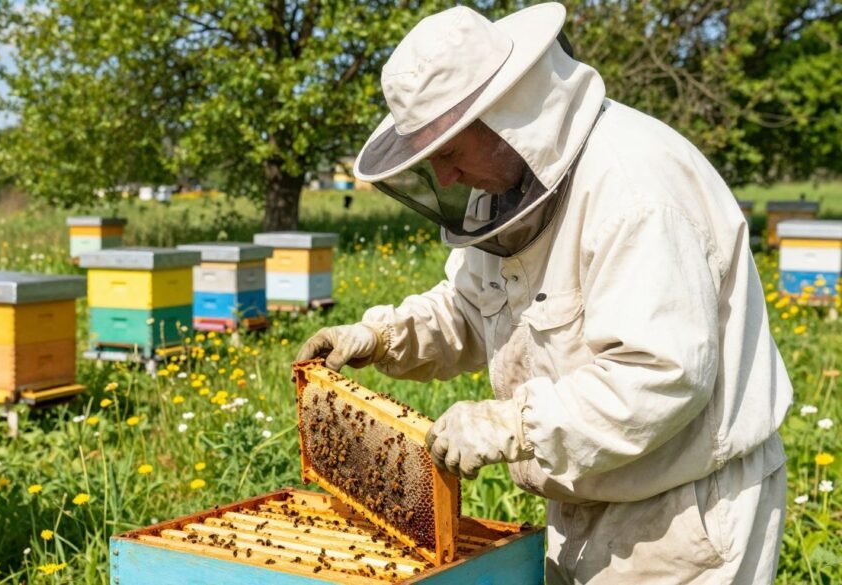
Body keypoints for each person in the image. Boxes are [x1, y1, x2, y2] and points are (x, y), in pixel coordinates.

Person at [295, 3, 792, 583]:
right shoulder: (508, 190)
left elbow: (661, 375)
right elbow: (468, 306)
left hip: (683, 514)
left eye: (449, 154)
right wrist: (381, 337)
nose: (446, 178)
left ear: (509, 118)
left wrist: (515, 426)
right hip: (585, 496)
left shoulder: (635, 192)